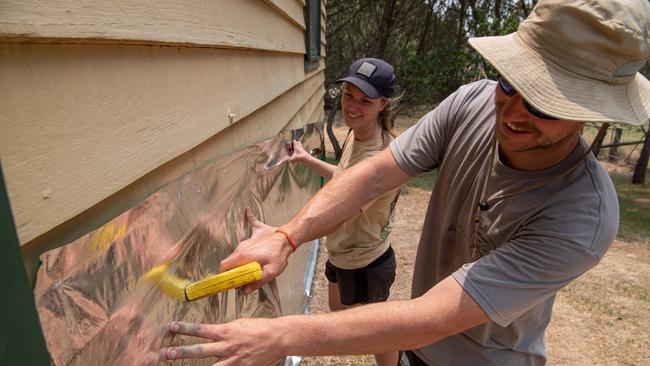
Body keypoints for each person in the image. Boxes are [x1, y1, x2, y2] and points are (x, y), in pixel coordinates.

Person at [159, 0, 650, 365]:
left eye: (545, 102)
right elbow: (375, 173)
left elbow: (435, 313)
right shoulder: (472, 103)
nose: (515, 112)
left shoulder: (581, 216)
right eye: (511, 83)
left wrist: (282, 336)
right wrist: (289, 236)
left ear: (591, 113)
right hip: (419, 350)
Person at [288, 57, 401, 366]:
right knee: (343, 316)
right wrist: (306, 160)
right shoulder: (358, 133)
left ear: (383, 104)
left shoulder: (380, 159)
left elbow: (337, 211)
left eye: (365, 100)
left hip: (365, 261)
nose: (353, 106)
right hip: (342, 253)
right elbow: (342, 177)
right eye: (349, 95)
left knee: (376, 334)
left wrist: (283, 238)